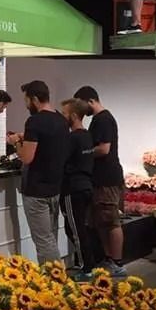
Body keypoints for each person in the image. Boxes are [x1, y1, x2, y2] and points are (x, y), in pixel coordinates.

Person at [7, 81, 69, 264]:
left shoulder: (34, 121)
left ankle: (55, 282)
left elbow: (27, 157)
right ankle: (52, 278)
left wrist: (16, 143)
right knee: (51, 236)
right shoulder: (61, 120)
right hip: (55, 187)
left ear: (34, 99)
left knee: (43, 241)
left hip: (36, 191)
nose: (26, 105)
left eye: (26, 100)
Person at [74, 86, 127, 277]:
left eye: (79, 104)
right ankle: (109, 258)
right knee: (101, 221)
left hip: (107, 179)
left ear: (90, 101)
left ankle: (118, 263)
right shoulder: (99, 119)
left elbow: (104, 149)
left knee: (111, 220)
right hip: (100, 179)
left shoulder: (103, 119)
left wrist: (84, 153)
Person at [59, 98, 95, 273]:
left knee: (75, 230)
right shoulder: (87, 136)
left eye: (64, 114)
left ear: (73, 116)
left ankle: (86, 268)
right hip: (86, 187)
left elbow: (59, 161)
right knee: (77, 228)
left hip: (72, 189)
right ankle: (87, 263)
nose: (62, 117)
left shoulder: (71, 139)